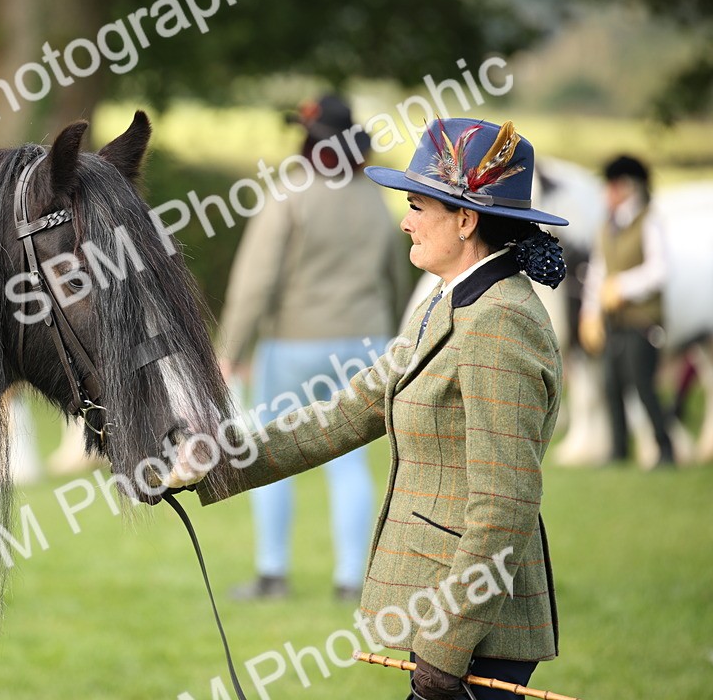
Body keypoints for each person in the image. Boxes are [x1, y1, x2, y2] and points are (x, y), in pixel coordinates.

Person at [171, 118, 568, 700]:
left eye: (416, 206)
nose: (404, 221)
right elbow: (345, 413)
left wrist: (445, 646)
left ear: (465, 219)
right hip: (448, 616)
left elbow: (503, 507)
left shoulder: (499, 321)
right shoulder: (448, 301)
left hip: (477, 632)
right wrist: (216, 457)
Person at [217, 94, 408, 601]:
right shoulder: (377, 198)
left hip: (294, 345)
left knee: (272, 455)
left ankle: (272, 574)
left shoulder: (290, 195)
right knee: (349, 464)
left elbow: (255, 282)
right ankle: (350, 580)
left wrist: (232, 347)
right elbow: (397, 275)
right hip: (367, 345)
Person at [578, 155, 675, 467]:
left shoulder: (649, 221)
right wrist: (589, 313)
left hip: (641, 321)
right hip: (613, 321)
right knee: (611, 385)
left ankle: (665, 450)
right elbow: (597, 273)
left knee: (644, 387)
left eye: (611, 186)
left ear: (625, 187)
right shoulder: (608, 226)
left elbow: (660, 269)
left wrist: (623, 286)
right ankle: (619, 452)